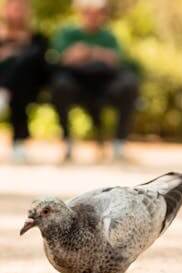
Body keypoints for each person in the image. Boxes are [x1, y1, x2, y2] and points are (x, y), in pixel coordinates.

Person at [51, 0, 138, 162]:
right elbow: (65, 57)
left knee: (129, 85)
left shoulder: (109, 36)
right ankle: (68, 142)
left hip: (105, 83)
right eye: (87, 12)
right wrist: (98, 54)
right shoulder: (68, 33)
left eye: (97, 13)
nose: (92, 16)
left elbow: (115, 59)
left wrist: (87, 52)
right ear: (80, 13)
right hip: (76, 81)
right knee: (59, 86)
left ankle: (119, 144)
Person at [0, 0, 48, 163]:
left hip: (28, 86)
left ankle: (5, 92)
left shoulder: (37, 38)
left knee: (20, 73)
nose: (17, 12)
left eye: (21, 8)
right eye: (13, 8)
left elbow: (40, 63)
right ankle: (18, 141)